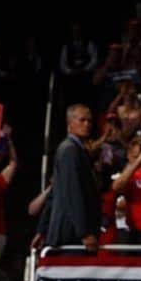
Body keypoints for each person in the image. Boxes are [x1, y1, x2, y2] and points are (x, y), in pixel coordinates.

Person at [42, 104, 99, 250]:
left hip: (72, 232)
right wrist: (84, 232)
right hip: (71, 233)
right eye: (82, 120)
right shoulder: (69, 150)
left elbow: (57, 191)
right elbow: (72, 192)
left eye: (90, 121)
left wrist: (42, 228)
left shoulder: (77, 150)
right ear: (70, 124)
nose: (87, 124)